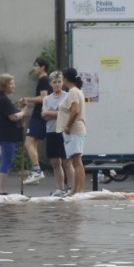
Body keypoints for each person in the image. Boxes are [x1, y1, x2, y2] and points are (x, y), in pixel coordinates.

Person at [0, 73, 28, 195]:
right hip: (6, 135)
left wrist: (20, 108)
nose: (14, 86)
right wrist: (23, 112)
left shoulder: (4, 100)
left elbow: (13, 112)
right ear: (5, 85)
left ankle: (2, 189)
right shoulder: (4, 100)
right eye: (11, 83)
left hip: (5, 135)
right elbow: (13, 116)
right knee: (6, 161)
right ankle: (2, 190)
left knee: (6, 160)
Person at [41, 70, 73, 196]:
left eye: (59, 82)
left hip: (63, 131)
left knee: (66, 161)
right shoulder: (47, 99)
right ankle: (60, 188)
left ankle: (71, 187)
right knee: (55, 162)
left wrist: (51, 113)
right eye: (55, 82)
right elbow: (44, 115)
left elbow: (65, 114)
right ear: (50, 83)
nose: (57, 84)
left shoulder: (67, 96)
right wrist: (54, 113)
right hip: (51, 131)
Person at [56, 67, 87, 196]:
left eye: (62, 77)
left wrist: (68, 126)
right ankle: (77, 189)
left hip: (74, 130)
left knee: (76, 161)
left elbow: (75, 110)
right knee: (76, 161)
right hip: (74, 130)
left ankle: (76, 190)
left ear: (66, 79)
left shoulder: (74, 91)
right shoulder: (75, 91)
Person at [22, 57, 50, 185]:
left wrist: (28, 99)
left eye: (36, 65)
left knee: (28, 143)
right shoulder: (44, 80)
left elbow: (43, 97)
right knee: (33, 143)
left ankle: (37, 171)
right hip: (39, 115)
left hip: (38, 116)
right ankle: (36, 171)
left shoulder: (44, 80)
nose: (34, 68)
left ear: (43, 67)